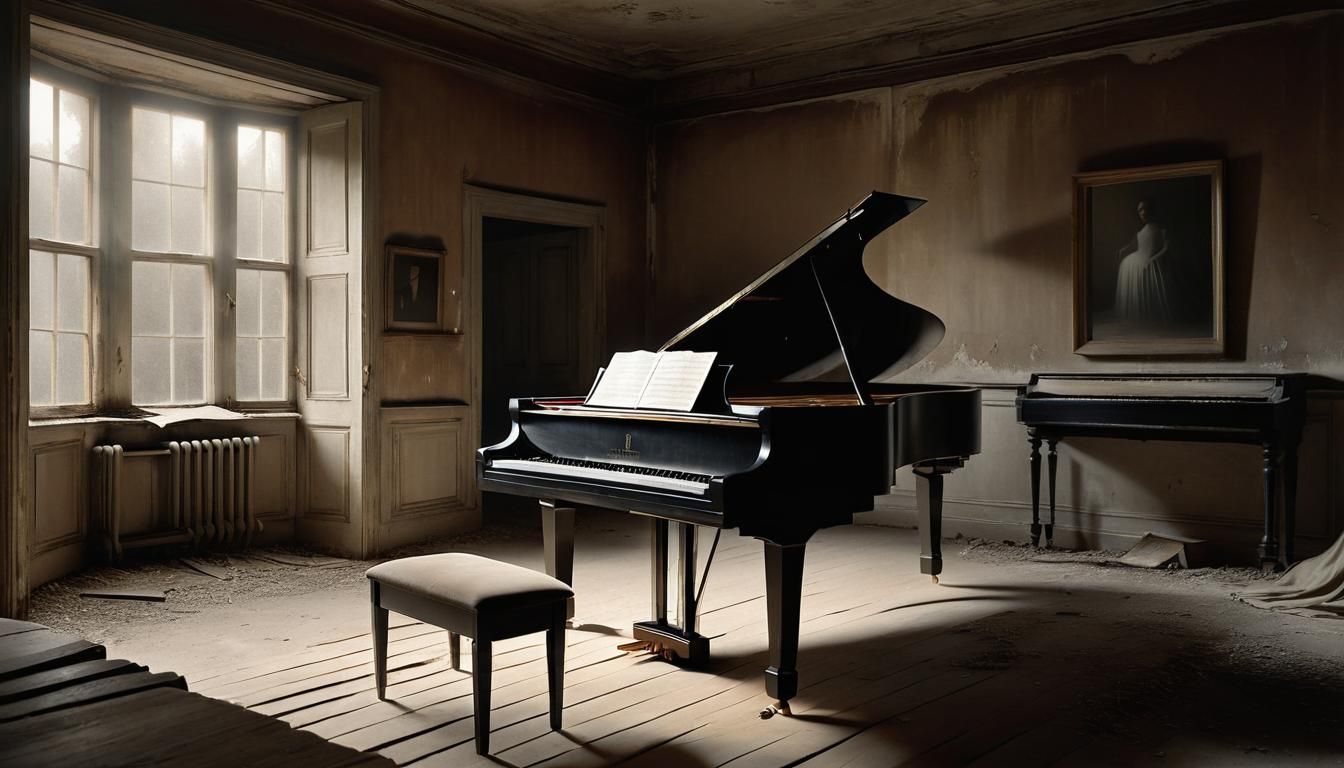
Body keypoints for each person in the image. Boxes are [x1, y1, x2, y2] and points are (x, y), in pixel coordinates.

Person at [1113, 199, 1171, 327]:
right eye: (1140, 210)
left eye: (1145, 209)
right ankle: (1136, 312)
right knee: (1126, 263)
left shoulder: (1162, 230)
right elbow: (1134, 244)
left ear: (1152, 210)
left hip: (1152, 258)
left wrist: (1154, 259)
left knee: (1143, 266)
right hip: (1139, 256)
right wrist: (1124, 249)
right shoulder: (1140, 232)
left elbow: (1166, 248)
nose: (1143, 213)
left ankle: (1151, 314)